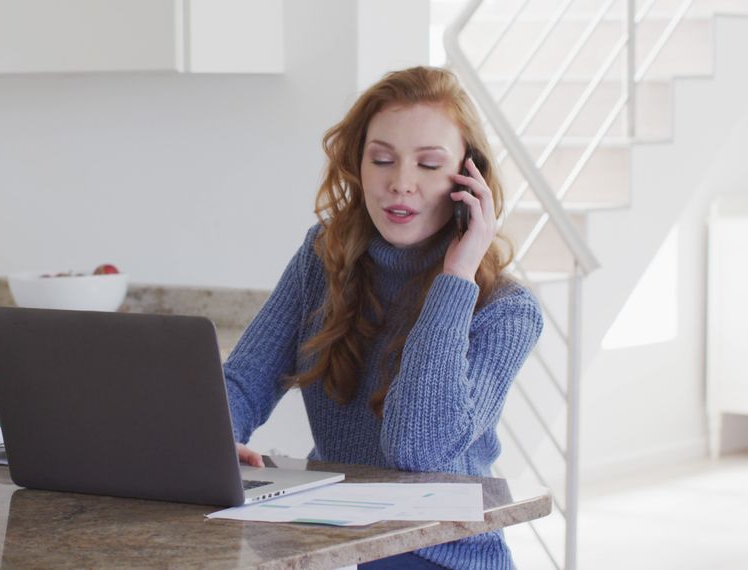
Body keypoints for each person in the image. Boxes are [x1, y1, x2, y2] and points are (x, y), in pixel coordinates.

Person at [223, 66, 543, 569]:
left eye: (429, 164)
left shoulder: (506, 311)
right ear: (359, 166)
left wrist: (455, 277)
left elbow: (417, 450)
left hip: (444, 557)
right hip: (338, 542)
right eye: (382, 160)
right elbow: (243, 383)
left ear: (468, 180)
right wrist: (217, 439)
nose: (400, 184)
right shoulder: (322, 256)